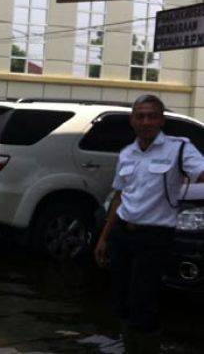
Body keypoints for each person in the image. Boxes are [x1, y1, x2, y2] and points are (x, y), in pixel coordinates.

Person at [94, 94, 204, 353]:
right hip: (122, 234)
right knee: (120, 300)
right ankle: (130, 346)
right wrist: (104, 238)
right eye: (140, 116)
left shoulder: (179, 148)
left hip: (154, 238)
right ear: (132, 121)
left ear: (161, 120)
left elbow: (201, 170)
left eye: (152, 116)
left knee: (143, 303)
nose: (146, 121)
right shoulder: (127, 153)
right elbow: (120, 197)